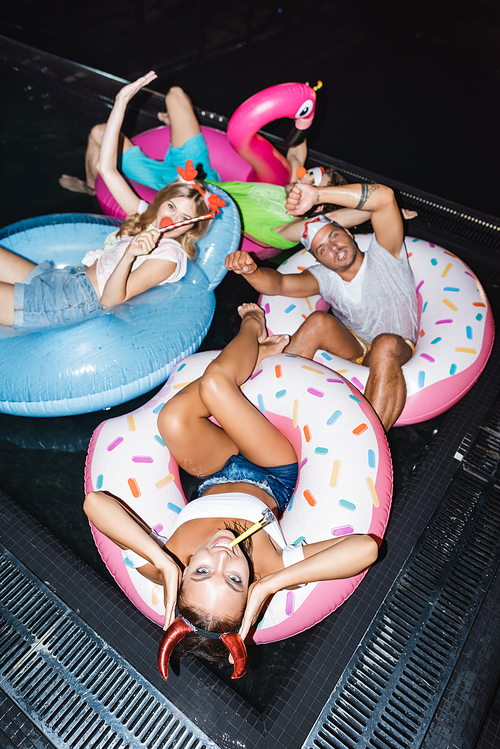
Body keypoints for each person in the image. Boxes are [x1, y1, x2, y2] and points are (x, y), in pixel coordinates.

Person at [83, 303, 379, 678]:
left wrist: (160, 562)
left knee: (171, 419)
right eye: (236, 580)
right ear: (250, 587)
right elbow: (367, 548)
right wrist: (268, 585)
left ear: (183, 576)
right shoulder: (271, 567)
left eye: (203, 571)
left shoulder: (167, 559)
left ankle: (254, 357)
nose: (223, 557)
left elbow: (95, 503)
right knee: (214, 386)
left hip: (213, 472)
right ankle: (252, 328)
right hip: (271, 471)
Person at [1, 75, 216, 329]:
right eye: (171, 207)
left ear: (193, 228)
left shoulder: (169, 256)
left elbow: (111, 300)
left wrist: (130, 255)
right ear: (161, 203)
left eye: (185, 218)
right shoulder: (147, 216)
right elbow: (106, 168)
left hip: (67, 302)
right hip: (66, 277)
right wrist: (121, 102)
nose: (172, 219)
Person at [225, 182, 419, 431]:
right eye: (323, 249)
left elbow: (385, 197)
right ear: (318, 260)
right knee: (318, 320)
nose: (334, 247)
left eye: (335, 236)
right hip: (355, 346)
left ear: (350, 234)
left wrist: (317, 195)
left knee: (385, 343)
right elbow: (279, 284)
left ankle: (367, 437)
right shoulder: (325, 277)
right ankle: (267, 403)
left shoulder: (386, 255)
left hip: (398, 345)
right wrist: (249, 270)